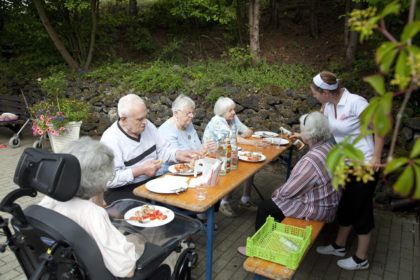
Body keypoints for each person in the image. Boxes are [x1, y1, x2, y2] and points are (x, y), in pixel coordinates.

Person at [237, 112, 340, 255]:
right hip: (329, 202)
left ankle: (259, 248)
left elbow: (288, 191)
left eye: (302, 130)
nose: (300, 132)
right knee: (277, 202)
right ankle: (277, 239)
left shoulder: (311, 160)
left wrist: (276, 193)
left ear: (309, 133)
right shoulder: (329, 147)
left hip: (318, 209)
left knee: (267, 206)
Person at [311, 71, 384, 270]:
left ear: (326, 92)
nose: (314, 96)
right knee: (346, 204)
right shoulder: (328, 105)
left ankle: (361, 259)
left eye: (315, 93)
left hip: (364, 165)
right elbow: (323, 131)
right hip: (346, 165)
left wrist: (376, 158)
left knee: (361, 210)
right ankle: (339, 246)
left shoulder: (355, 102)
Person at [38, 137, 139, 278]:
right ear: (97, 179)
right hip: (95, 272)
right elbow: (126, 269)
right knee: (144, 241)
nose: (105, 185)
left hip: (61, 269)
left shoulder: (48, 201)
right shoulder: (91, 214)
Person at [100, 94, 197, 204]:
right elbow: (109, 180)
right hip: (122, 190)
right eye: (139, 119)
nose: (145, 122)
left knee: (184, 193)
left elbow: (163, 150)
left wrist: (178, 154)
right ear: (124, 119)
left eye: (145, 116)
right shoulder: (110, 139)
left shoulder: (147, 125)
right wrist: (140, 170)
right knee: (153, 213)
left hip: (150, 182)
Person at [202, 97, 257, 217]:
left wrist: (240, 139)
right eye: (230, 110)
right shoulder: (217, 121)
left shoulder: (231, 118)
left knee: (250, 167)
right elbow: (232, 138)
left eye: (234, 109)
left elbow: (246, 132)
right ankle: (224, 202)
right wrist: (252, 143)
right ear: (222, 112)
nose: (233, 112)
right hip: (211, 157)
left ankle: (245, 199)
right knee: (234, 170)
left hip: (226, 153)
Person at [158, 94, 216, 171]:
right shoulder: (166, 130)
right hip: (169, 173)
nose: (192, 116)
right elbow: (177, 159)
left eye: (192, 112)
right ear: (176, 113)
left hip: (191, 169)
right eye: (188, 113)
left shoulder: (188, 124)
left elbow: (197, 149)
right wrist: (199, 155)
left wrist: (205, 148)